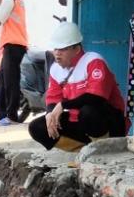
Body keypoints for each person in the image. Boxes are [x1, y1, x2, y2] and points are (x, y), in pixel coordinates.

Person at [28, 22, 127, 152]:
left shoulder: (93, 61)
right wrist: (50, 114)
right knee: (37, 127)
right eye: (55, 49)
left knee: (88, 111)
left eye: (63, 49)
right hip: (79, 121)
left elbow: (97, 98)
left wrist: (64, 105)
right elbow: (53, 98)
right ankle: (81, 151)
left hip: (107, 122)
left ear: (76, 49)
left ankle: (105, 149)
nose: (57, 53)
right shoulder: (56, 70)